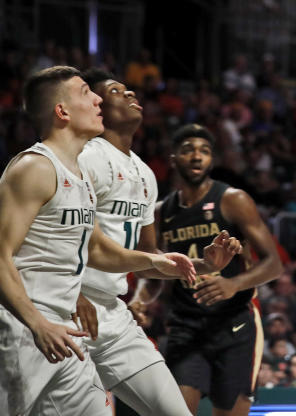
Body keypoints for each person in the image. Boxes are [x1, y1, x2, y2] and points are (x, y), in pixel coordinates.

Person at [0, 66, 195, 415]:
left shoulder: (78, 174)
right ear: (62, 111)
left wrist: (153, 261)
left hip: (67, 334)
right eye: (86, 92)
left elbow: (96, 248)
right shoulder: (34, 167)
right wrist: (36, 322)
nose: (96, 99)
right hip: (23, 328)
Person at [72, 69, 242, 416]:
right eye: (118, 91)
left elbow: (148, 255)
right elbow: (60, 235)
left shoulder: (144, 172)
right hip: (68, 307)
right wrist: (74, 292)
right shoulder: (87, 157)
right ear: (98, 108)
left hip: (112, 310)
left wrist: (203, 266)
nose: (131, 93)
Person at [157, 123, 284, 416]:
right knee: (175, 410)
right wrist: (143, 299)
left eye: (204, 151)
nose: (197, 156)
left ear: (212, 160)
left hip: (235, 323)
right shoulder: (161, 212)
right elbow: (156, 270)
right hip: (186, 325)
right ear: (173, 158)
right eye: (188, 150)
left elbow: (274, 263)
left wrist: (233, 284)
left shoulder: (233, 200)